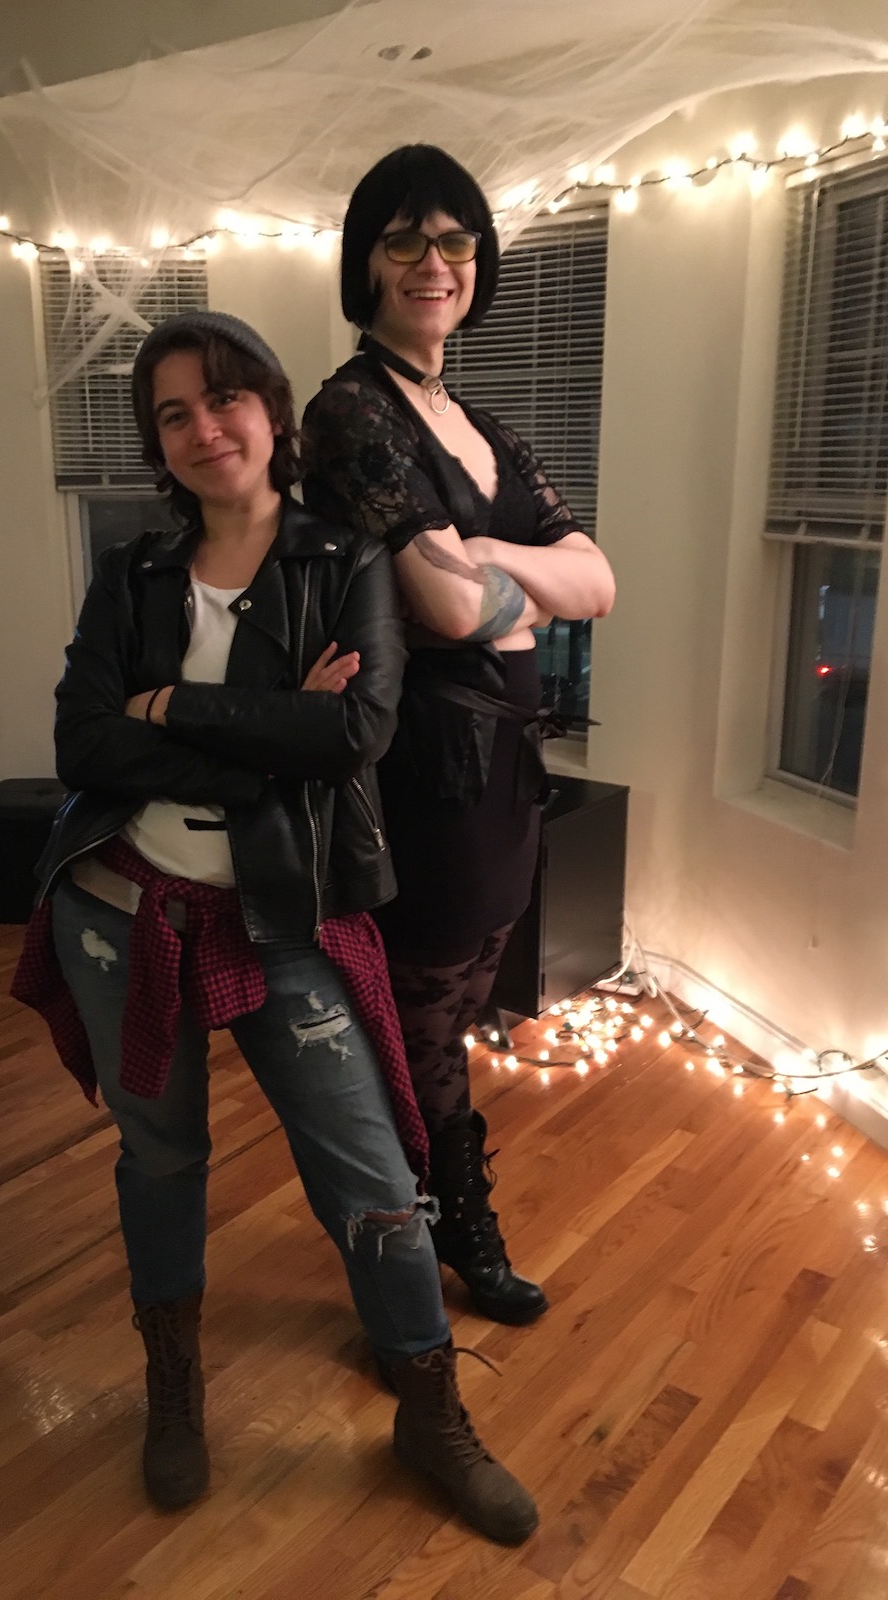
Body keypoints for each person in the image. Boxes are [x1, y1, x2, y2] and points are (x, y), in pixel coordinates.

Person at [12, 310, 538, 1545]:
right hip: (121, 907)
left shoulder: (342, 562)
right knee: (160, 1158)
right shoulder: (131, 574)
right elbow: (81, 745)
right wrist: (264, 729)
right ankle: (173, 1382)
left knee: (371, 1169)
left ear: (271, 408)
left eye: (225, 398)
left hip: (282, 914)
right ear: (157, 443)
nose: (205, 429)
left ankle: (430, 1409)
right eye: (174, 414)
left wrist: (170, 710)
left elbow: (353, 733)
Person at [303, 147, 615, 1327]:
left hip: (508, 766)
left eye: (455, 240)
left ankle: (426, 1207)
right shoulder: (350, 412)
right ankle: (447, 1227)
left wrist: (485, 556)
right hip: (424, 767)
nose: (434, 262)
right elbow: (445, 609)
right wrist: (511, 583)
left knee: (471, 986)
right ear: (367, 262)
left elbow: (601, 581)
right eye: (404, 240)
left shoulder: (480, 421)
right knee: (421, 1015)